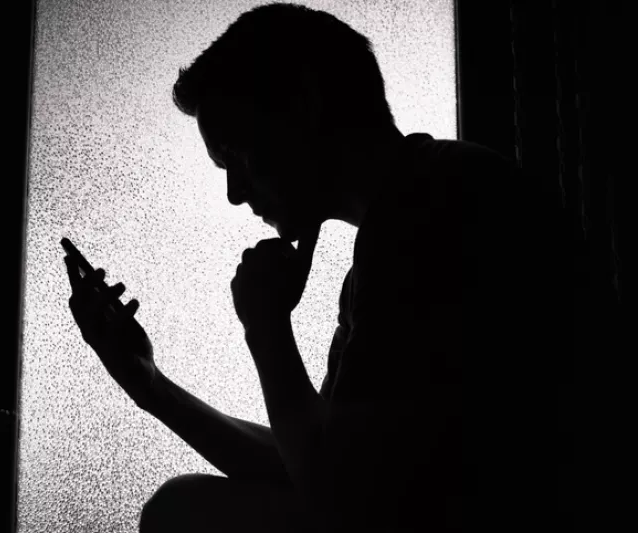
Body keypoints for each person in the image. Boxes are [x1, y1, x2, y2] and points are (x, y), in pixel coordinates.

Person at [66, 3, 575, 532]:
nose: (235, 193)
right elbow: (313, 460)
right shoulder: (419, 208)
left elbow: (341, 499)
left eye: (236, 156)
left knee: (183, 512)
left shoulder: (434, 214)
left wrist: (266, 328)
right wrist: (149, 384)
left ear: (304, 105)